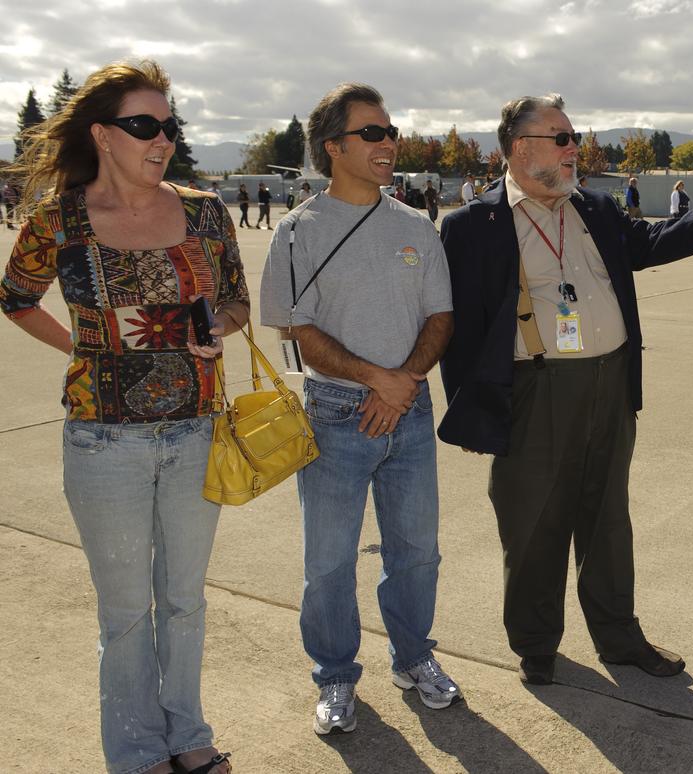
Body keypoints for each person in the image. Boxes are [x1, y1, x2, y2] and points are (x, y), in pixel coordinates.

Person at [437, 93, 693, 686]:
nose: (573, 148)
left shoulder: (595, 208)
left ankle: (619, 636)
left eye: (574, 137)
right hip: (532, 390)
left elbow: (646, 245)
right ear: (521, 148)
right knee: (532, 523)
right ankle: (536, 644)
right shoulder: (472, 226)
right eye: (561, 138)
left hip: (610, 383)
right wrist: (475, 411)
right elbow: (459, 328)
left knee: (608, 519)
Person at [1, 59, 247, 774]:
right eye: (145, 126)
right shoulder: (58, 220)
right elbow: (15, 298)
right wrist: (78, 344)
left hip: (197, 430)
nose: (163, 139)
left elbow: (237, 300)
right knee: (126, 610)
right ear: (103, 135)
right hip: (102, 440)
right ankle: (138, 752)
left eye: (170, 126)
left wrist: (218, 327)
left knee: (185, 600)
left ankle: (188, 735)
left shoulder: (206, 212)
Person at [259, 83, 459, 736]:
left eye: (391, 131)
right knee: (328, 563)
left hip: (411, 413)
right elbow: (296, 328)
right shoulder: (297, 231)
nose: (389, 142)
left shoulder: (416, 225)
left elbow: (440, 316)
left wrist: (403, 383)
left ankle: (414, 657)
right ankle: (336, 676)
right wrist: (377, 379)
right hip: (334, 415)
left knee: (417, 552)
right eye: (372, 132)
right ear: (334, 147)